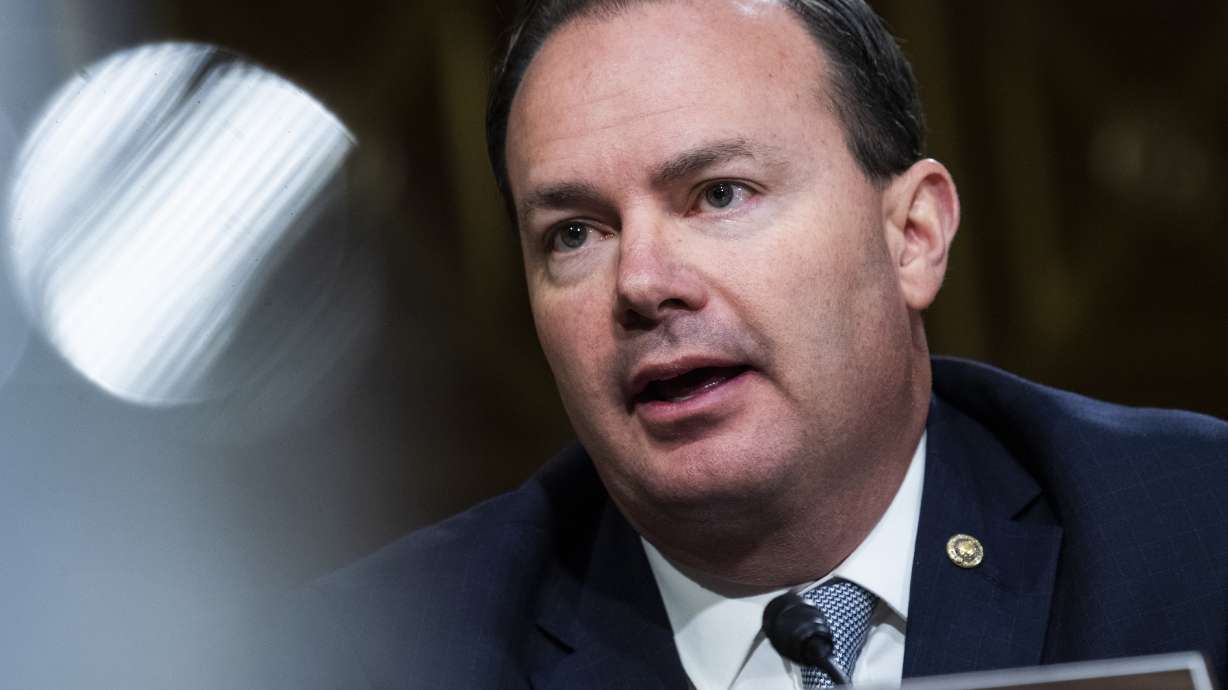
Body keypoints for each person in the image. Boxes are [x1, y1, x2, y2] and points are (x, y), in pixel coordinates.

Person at [237, 1, 1228, 688]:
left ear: (912, 236)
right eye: (573, 232)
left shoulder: (1188, 537)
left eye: (717, 194)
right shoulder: (377, 658)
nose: (641, 281)